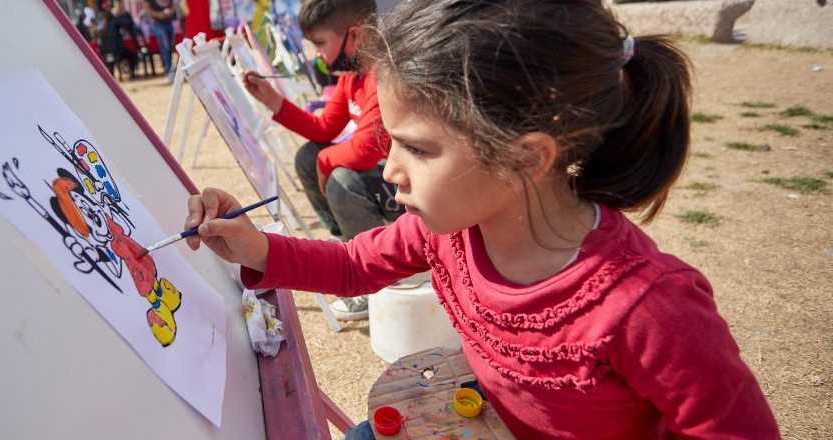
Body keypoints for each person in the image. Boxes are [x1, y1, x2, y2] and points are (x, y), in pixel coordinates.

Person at [185, 0, 779, 438]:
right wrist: (256, 247)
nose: (388, 170)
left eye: (416, 148)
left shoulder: (650, 307)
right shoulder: (447, 231)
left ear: (524, 157)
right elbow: (351, 264)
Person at [242, 0, 404, 320]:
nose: (317, 54)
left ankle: (374, 278)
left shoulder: (382, 74)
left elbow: (367, 148)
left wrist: (327, 161)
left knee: (341, 177)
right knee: (308, 156)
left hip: (402, 187)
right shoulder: (351, 75)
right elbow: (324, 127)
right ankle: (345, 244)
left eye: (320, 44)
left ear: (354, 36)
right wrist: (273, 100)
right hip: (381, 176)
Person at [140, 0, 177, 82]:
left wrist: (170, 12)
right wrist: (159, 15)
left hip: (168, 22)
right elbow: (147, 10)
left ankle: (171, 70)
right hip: (157, 23)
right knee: (165, 47)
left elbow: (174, 5)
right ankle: (169, 71)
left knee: (170, 48)